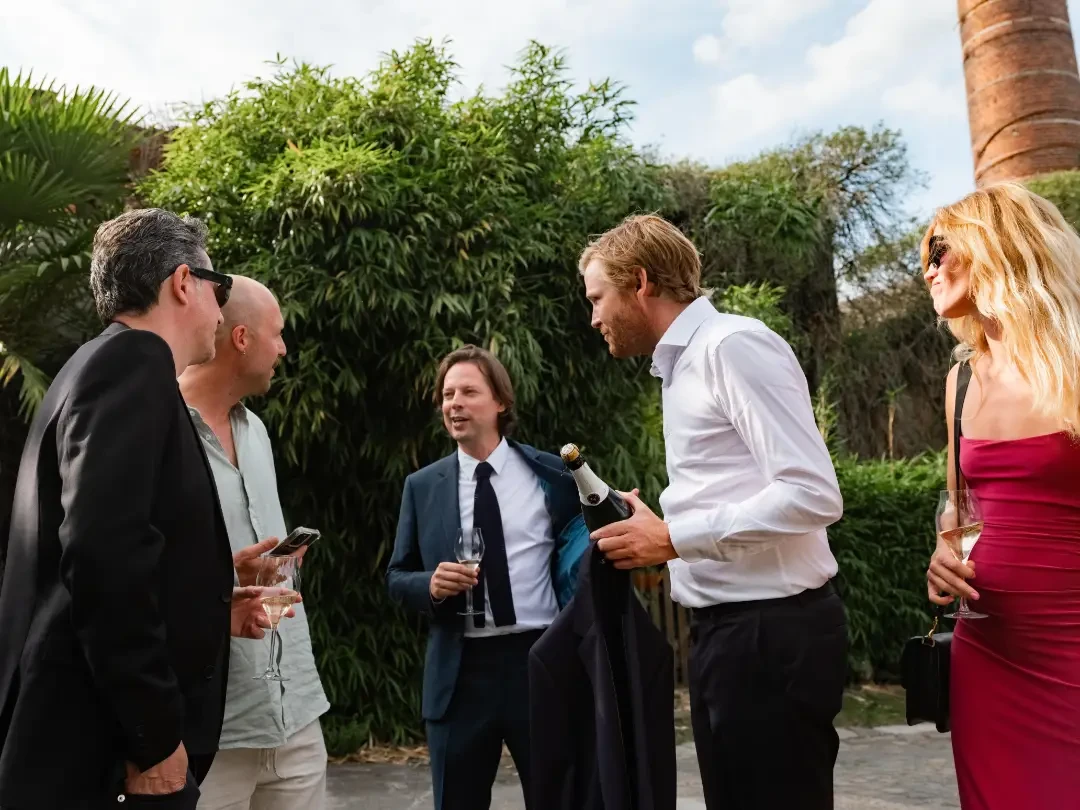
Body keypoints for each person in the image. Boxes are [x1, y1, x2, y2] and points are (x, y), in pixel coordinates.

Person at [0, 209, 294, 810]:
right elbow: (103, 561)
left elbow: (122, 548)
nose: (221, 312)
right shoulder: (132, 364)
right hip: (100, 746)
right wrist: (154, 737)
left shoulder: (94, 364)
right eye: (217, 289)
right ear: (184, 283)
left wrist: (211, 603)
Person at [579, 214, 847, 810]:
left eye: (597, 298)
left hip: (769, 639)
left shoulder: (731, 346)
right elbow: (726, 490)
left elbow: (813, 492)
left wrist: (674, 538)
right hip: (729, 637)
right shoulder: (681, 366)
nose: (593, 317)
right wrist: (656, 532)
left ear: (640, 282)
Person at [923, 183, 1080, 810]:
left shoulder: (1074, 366)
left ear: (994, 246)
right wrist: (944, 552)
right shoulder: (960, 381)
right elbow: (960, 507)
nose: (929, 269)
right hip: (989, 656)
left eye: (939, 250)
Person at [385, 345, 589, 810]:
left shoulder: (552, 474)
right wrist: (429, 585)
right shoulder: (423, 486)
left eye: (468, 392)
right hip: (460, 673)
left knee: (560, 799)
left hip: (538, 661)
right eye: (447, 394)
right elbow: (397, 575)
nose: (454, 403)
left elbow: (587, 544)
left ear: (500, 402)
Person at [179, 276, 330, 810]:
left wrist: (280, 565)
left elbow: (264, 569)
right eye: (278, 333)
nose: (284, 349)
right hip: (210, 731)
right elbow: (126, 575)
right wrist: (225, 578)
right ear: (242, 339)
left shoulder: (257, 432)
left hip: (295, 715)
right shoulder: (156, 430)